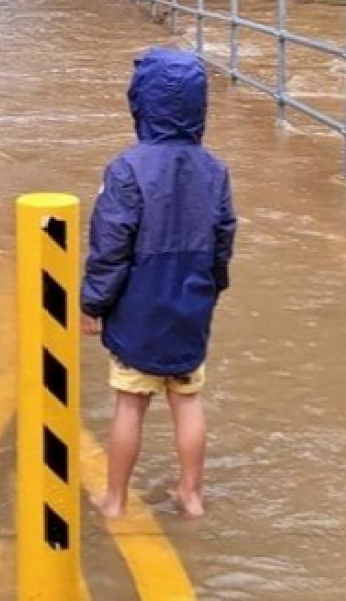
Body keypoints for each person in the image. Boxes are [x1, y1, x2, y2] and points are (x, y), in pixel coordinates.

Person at [81, 48, 237, 518]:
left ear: (141, 104)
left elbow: (110, 245)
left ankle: (114, 500)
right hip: (191, 304)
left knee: (130, 403)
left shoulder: (127, 168)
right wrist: (212, 288)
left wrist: (93, 304)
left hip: (138, 309)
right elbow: (224, 236)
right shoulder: (215, 169)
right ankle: (191, 494)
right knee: (187, 399)